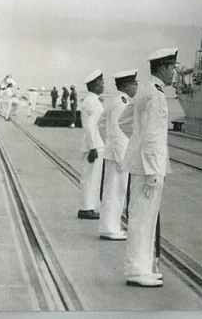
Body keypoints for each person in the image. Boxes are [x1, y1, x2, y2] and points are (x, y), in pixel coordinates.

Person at [123, 47, 177, 288]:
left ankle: (143, 267)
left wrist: (136, 145)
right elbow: (153, 136)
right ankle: (136, 269)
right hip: (149, 168)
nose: (174, 73)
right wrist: (153, 170)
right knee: (142, 220)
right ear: (162, 68)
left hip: (143, 163)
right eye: (172, 68)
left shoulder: (144, 90)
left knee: (146, 219)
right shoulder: (155, 95)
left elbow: (125, 122)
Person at [99, 69, 137, 241]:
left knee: (113, 191)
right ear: (127, 86)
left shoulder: (114, 100)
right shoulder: (122, 103)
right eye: (134, 83)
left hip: (113, 152)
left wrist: (108, 144)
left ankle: (112, 226)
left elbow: (101, 124)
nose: (136, 86)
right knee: (115, 192)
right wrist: (122, 157)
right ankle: (110, 228)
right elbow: (118, 131)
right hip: (119, 156)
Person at [78, 70, 106, 220]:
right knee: (90, 178)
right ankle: (86, 208)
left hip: (95, 145)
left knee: (93, 178)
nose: (103, 85)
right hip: (93, 147)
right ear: (95, 85)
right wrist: (93, 147)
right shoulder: (91, 102)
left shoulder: (93, 100)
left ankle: (90, 207)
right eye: (102, 82)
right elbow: (89, 125)